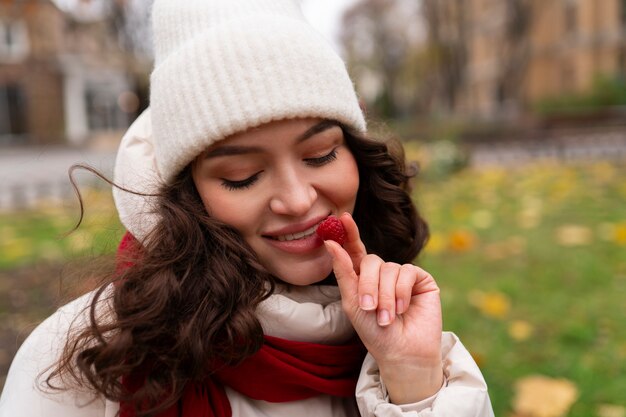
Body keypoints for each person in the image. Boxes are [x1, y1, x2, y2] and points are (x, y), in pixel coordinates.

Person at [0, 1, 494, 416]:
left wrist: (413, 381)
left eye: (320, 154)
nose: (298, 199)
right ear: (186, 196)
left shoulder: (408, 336)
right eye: (242, 177)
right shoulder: (77, 360)